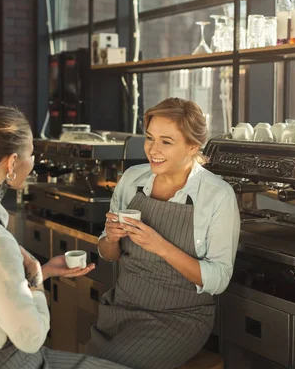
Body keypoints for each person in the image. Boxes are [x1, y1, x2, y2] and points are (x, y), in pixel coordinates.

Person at [0, 106, 127, 369]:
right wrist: (34, 280)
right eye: (31, 153)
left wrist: (43, 271)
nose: (33, 162)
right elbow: (31, 339)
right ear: (11, 163)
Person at [86, 98, 241, 369]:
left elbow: (219, 279)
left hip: (178, 320)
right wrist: (110, 238)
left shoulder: (217, 195)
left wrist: (161, 246)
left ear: (192, 146)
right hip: (121, 309)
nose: (152, 150)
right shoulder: (132, 180)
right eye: (149, 138)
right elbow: (110, 255)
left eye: (166, 142)